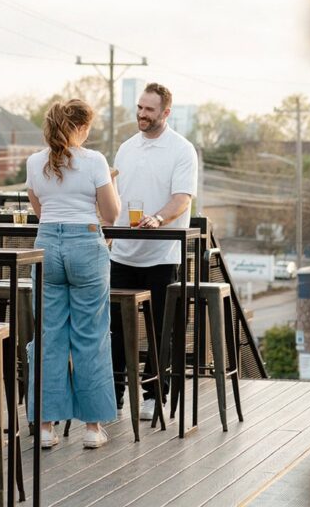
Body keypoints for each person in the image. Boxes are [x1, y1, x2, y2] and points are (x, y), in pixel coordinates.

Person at [26, 98, 120, 449]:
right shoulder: (94, 161)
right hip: (85, 244)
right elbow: (111, 214)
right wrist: (109, 184)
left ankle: (46, 428)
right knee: (91, 335)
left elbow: (40, 210)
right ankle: (93, 429)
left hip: (46, 245)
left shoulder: (35, 162)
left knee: (48, 337)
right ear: (81, 127)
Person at [110, 82, 198, 418]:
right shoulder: (126, 148)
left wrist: (158, 219)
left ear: (165, 112)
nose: (141, 115)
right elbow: (115, 198)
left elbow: (182, 199)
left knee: (162, 330)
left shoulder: (181, 150)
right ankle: (115, 395)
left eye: (149, 109)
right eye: (139, 108)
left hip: (162, 254)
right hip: (122, 253)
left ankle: (153, 395)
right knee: (115, 328)